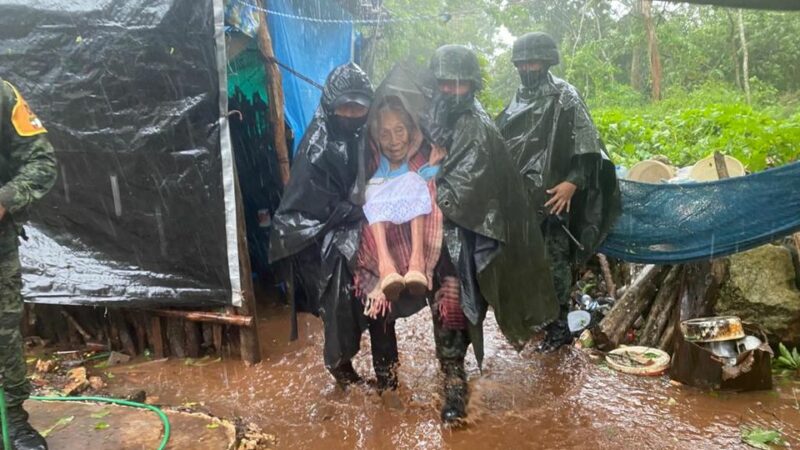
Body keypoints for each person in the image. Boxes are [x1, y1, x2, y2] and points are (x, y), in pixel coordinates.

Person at [422, 45, 559, 423]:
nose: (454, 90)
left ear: (473, 85)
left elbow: (461, 192)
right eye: (446, 83)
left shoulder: (475, 125)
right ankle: (451, 373)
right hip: (441, 232)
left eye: (462, 84)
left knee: (457, 307)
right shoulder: (436, 113)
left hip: (466, 234)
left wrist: (427, 179)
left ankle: (454, 386)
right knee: (445, 308)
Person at [496, 32, 621, 352]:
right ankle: (535, 319)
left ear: (547, 61)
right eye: (522, 62)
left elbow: (588, 145)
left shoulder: (565, 95)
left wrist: (571, 184)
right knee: (526, 264)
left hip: (554, 199)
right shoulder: (516, 100)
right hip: (523, 203)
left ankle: (559, 326)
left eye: (533, 61)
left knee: (555, 264)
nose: (528, 67)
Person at [269, 63, 379, 386]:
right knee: (336, 297)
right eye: (345, 107)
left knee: (350, 295)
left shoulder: (361, 135)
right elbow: (319, 205)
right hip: (306, 235)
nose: (351, 113)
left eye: (358, 107)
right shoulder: (319, 144)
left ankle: (355, 366)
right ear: (331, 106)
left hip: (336, 227)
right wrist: (362, 208)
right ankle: (341, 368)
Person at [0, 79, 57, 450]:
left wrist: (4, 199)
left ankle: (14, 421)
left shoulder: (2, 95)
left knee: (3, 338)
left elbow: (42, 160)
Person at [360, 96, 446, 315]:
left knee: (415, 183)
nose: (394, 140)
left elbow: (426, 178)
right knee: (372, 192)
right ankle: (385, 265)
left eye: (399, 131)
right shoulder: (376, 162)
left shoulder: (417, 158)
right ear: (377, 138)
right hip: (383, 206)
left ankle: (416, 262)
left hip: (409, 202)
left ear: (410, 131)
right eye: (385, 134)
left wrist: (435, 165)